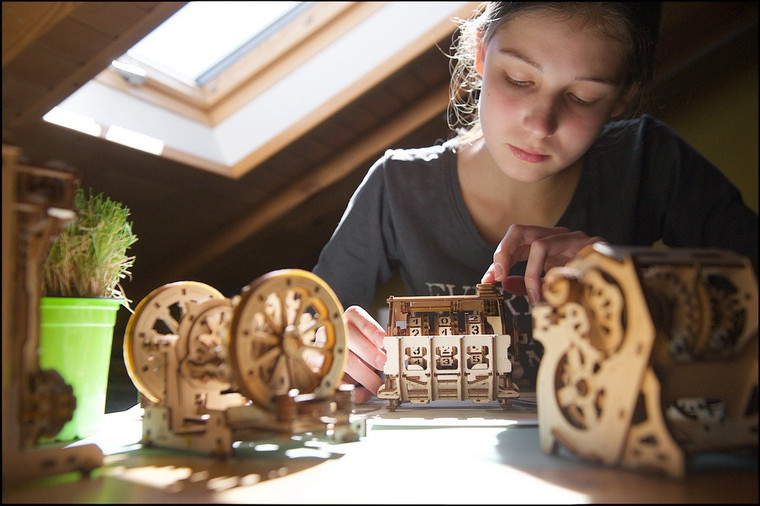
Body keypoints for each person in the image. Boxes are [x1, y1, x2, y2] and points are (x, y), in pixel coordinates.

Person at [312, 2, 759, 403]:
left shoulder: (652, 161)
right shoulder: (398, 185)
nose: (541, 124)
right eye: (519, 79)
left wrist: (622, 276)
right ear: (481, 54)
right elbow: (307, 329)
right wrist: (323, 348)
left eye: (583, 97)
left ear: (623, 96)